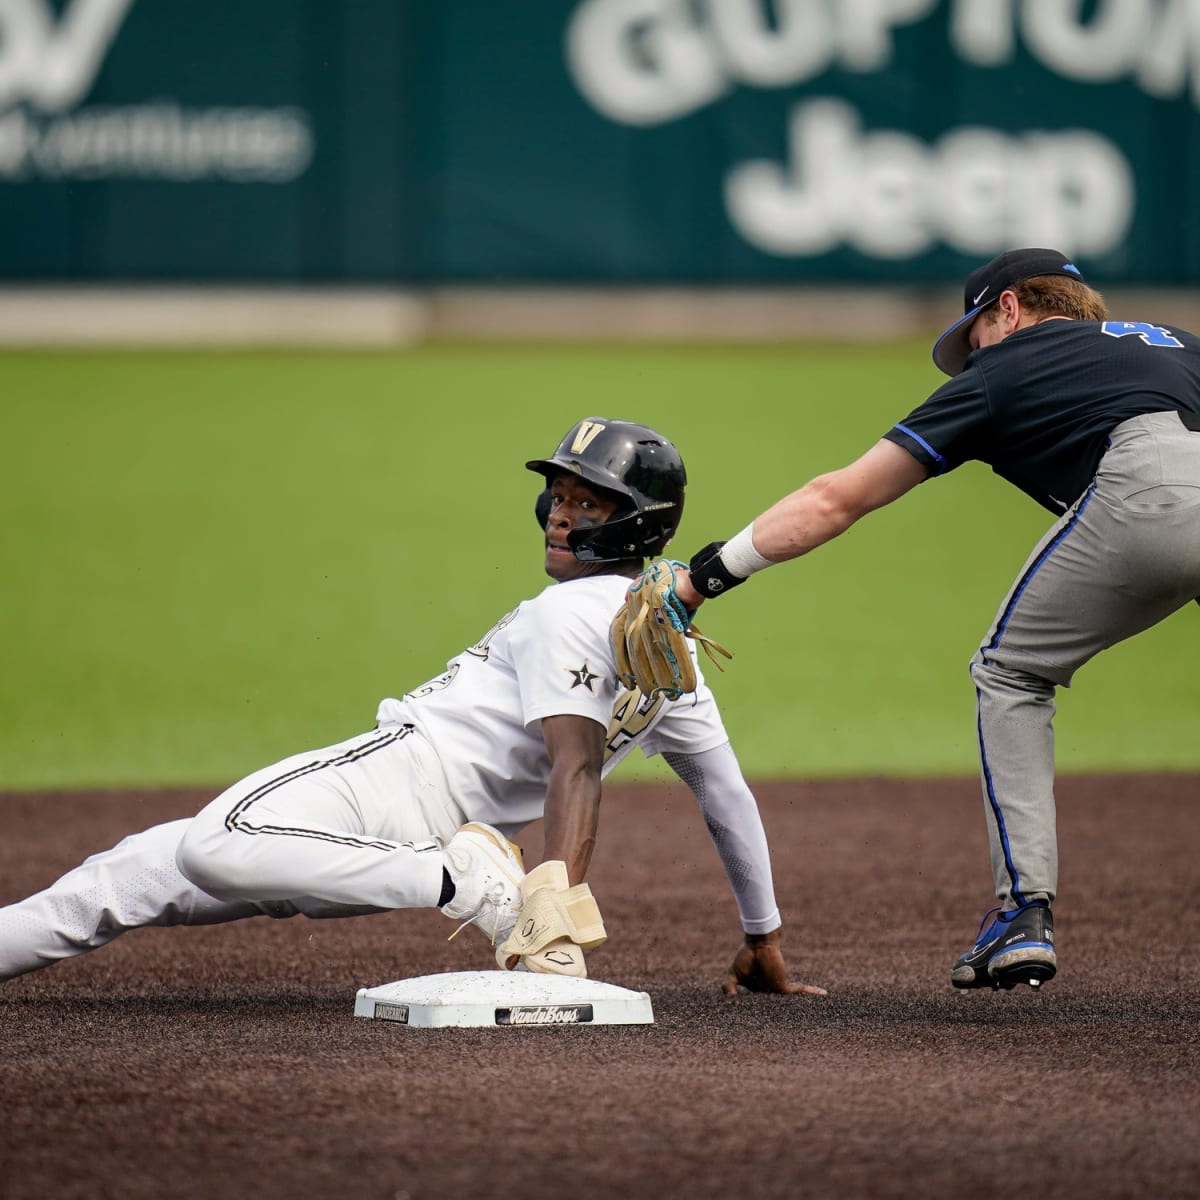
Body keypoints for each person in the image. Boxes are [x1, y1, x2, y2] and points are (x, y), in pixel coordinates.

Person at [0, 417, 825, 998]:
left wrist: (545, 905)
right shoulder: (673, 661)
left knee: (217, 843)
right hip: (414, 834)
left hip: (394, 787)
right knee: (132, 875)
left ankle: (458, 881)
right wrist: (764, 936)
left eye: (591, 501)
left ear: (636, 521)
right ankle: (458, 876)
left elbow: (575, 767)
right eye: (561, 495)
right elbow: (724, 795)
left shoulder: (565, 613)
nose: (563, 513)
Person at [644, 248, 1200, 991]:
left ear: (1008, 308)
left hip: (1144, 490)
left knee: (1011, 673)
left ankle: (1022, 913)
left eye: (973, 334)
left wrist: (705, 576)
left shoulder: (1006, 368)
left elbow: (836, 499)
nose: (971, 355)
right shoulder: (1177, 342)